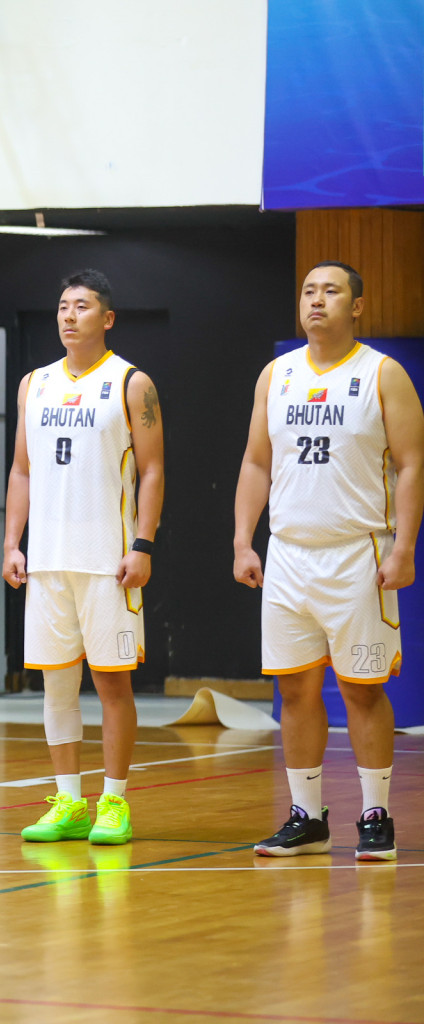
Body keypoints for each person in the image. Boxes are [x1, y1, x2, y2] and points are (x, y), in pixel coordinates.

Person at [234, 261, 422, 862]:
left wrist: (404, 547)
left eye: (331, 291)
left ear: (357, 306)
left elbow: (412, 465)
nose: (316, 301)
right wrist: (243, 539)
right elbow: (256, 463)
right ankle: (307, 817)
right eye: (309, 291)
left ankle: (375, 814)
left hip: (357, 554)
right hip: (289, 555)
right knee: (294, 690)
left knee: (362, 690)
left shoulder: (383, 374)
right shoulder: (276, 375)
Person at [3, 269, 164, 846]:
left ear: (107, 318)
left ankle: (114, 801)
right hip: (48, 562)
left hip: (108, 561)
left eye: (82, 306)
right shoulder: (34, 384)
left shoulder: (130, 383)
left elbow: (152, 471)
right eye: (63, 306)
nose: (69, 316)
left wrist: (142, 544)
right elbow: (21, 470)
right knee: (56, 687)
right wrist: (11, 543)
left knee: (113, 686)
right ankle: (69, 800)